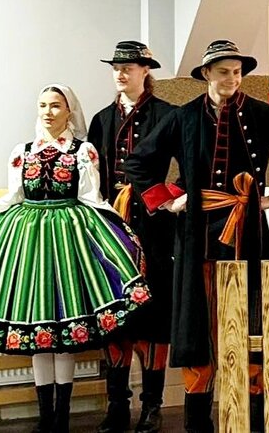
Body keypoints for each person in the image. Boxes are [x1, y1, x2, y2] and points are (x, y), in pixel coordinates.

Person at [0, 84, 151, 433]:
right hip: (28, 238)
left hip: (69, 239)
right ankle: (47, 417)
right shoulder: (23, 152)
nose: (48, 112)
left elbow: (91, 197)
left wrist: (117, 230)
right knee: (37, 331)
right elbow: (14, 195)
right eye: (43, 105)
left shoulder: (82, 151)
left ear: (69, 111)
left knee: (63, 328)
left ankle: (61, 416)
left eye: (56, 105)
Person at [124, 39, 269, 432]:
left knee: (252, 319)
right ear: (206, 75)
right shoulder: (183, 117)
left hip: (248, 231)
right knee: (198, 322)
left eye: (237, 72)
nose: (232, 79)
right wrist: (169, 201)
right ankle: (197, 421)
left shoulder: (262, 114)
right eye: (223, 72)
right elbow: (139, 162)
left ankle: (252, 417)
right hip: (195, 234)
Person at [89, 41, 177, 433]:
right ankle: (117, 405)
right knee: (113, 314)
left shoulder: (168, 115)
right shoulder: (101, 119)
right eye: (116, 67)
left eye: (129, 67)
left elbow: (190, 164)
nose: (121, 73)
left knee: (153, 316)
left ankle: (152, 406)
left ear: (146, 70)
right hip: (110, 227)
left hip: (154, 226)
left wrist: (170, 198)